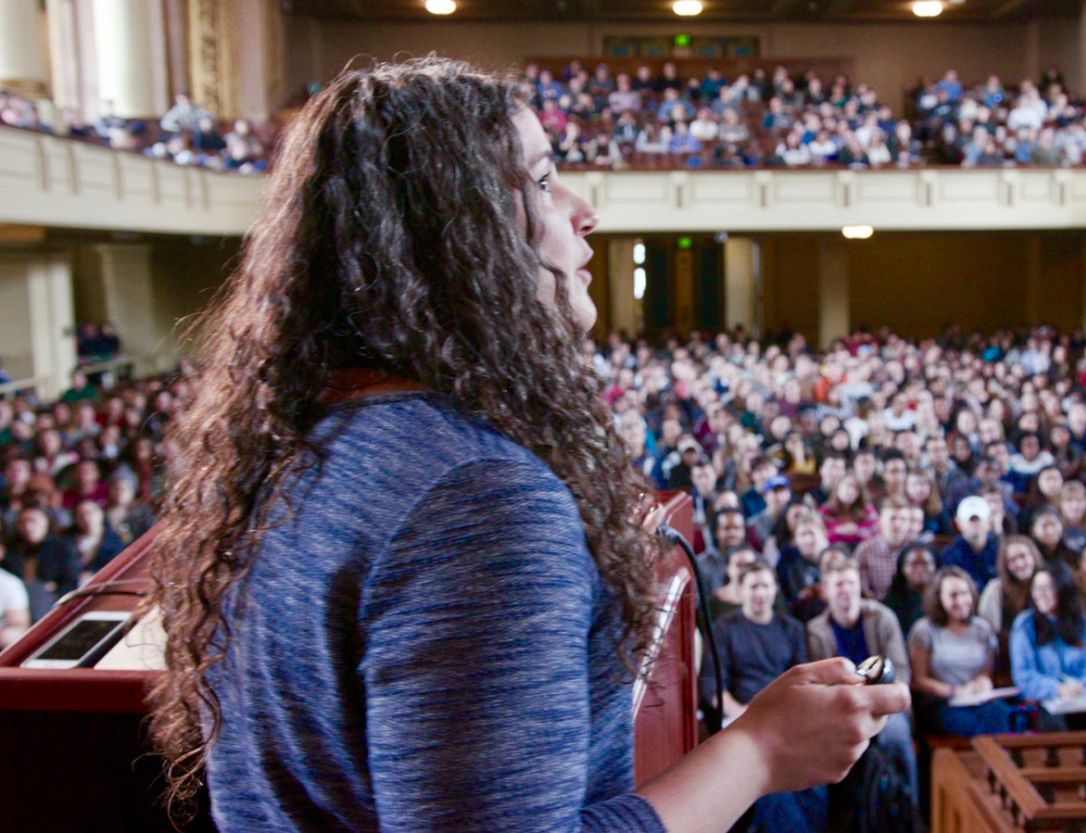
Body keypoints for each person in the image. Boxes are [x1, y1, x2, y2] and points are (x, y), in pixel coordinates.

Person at [146, 59, 909, 833]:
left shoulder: (307, 441)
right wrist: (759, 751)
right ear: (457, 236)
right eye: (542, 182)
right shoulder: (478, 497)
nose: (585, 211)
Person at [709, 563, 826, 832]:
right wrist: (741, 713)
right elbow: (714, 687)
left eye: (765, 586)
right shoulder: (725, 629)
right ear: (741, 591)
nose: (760, 592)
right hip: (743, 715)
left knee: (815, 768)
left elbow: (805, 680)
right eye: (753, 586)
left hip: (789, 712)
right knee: (772, 774)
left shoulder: (792, 628)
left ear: (774, 590)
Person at [806, 559, 919, 806]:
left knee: (897, 735)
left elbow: (900, 670)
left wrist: (877, 701)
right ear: (826, 591)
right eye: (839, 585)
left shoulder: (883, 617)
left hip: (885, 704)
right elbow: (822, 683)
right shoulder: (816, 630)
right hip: (840, 707)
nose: (846, 589)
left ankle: (910, 808)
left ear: (859, 586)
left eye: (850, 583)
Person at [1010, 564, 1086, 731]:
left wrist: (1080, 686)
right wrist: (1057, 689)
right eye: (1036, 589)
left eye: (1047, 588)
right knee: (1055, 727)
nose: (1040, 595)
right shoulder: (1025, 625)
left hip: (1085, 696)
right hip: (1047, 701)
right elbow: (1024, 675)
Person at [908, 566, 1011, 736]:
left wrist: (983, 682)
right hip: (943, 701)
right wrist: (954, 692)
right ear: (939, 598)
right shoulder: (924, 630)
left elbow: (987, 672)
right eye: (953, 595)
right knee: (969, 726)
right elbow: (919, 680)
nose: (961, 600)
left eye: (964, 593)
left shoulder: (982, 629)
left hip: (978, 699)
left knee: (1000, 716)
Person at [978, 534, 1042, 636]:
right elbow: (986, 631)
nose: (1020, 564)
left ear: (1033, 556)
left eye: (1023, 556)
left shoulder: (1048, 583)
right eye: (1012, 560)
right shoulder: (994, 590)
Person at [940, 494, 1000, 590]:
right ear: (958, 523)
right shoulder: (950, 554)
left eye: (978, 519)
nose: (975, 524)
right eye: (970, 520)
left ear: (989, 521)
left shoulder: (1001, 549)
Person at [884, 543, 936, 635]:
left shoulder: (943, 597)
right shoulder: (892, 601)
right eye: (913, 564)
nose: (920, 569)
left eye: (925, 563)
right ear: (902, 568)